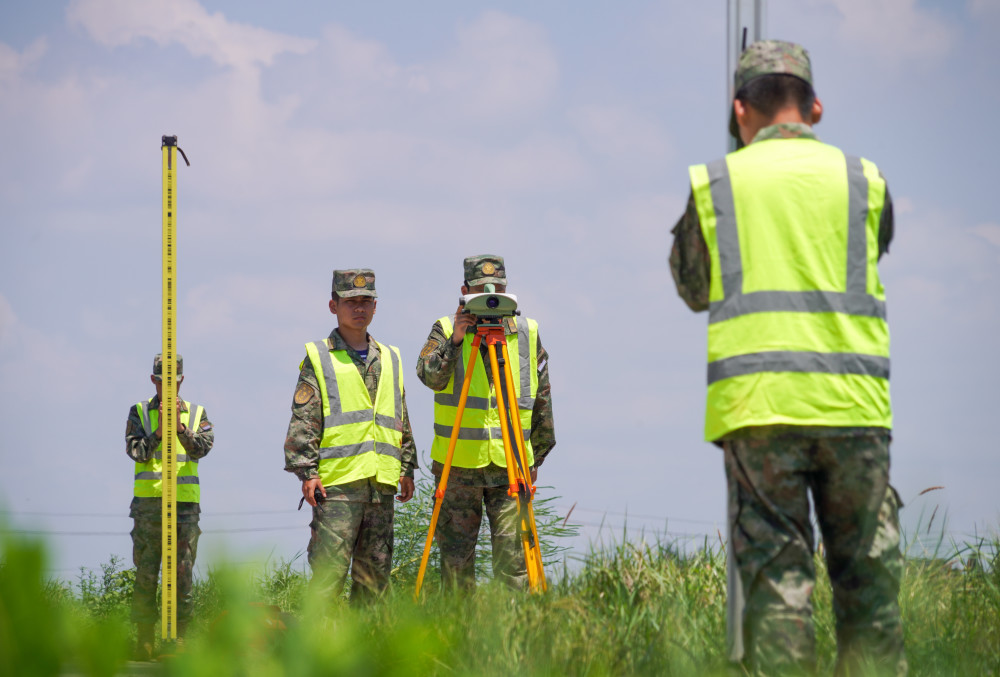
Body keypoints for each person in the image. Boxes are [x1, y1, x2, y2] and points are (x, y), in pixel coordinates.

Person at [669, 40, 906, 676]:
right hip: (854, 409)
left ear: (739, 109)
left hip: (760, 409)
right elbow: (873, 253)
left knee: (779, 589)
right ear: (816, 108)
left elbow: (693, 289)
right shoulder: (865, 180)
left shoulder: (718, 183)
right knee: (871, 591)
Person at [416, 255, 555, 589]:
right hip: (459, 466)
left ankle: (511, 635)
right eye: (482, 291)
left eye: (499, 290)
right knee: (455, 562)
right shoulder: (447, 329)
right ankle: (459, 635)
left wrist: (536, 454)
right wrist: (457, 341)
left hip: (510, 465)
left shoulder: (526, 332)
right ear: (465, 291)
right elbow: (429, 376)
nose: (491, 297)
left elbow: (542, 398)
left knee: (514, 562)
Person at [284, 268, 416, 603]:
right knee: (329, 577)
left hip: (381, 486)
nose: (359, 308)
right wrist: (307, 472)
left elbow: (399, 416)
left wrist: (406, 468)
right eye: (350, 301)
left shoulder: (390, 357)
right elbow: (305, 418)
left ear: (375, 306)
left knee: (373, 580)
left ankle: (364, 652)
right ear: (333, 305)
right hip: (338, 488)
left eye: (366, 301)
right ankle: (320, 652)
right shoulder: (320, 357)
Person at [125, 353, 214, 660]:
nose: (168, 385)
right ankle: (145, 640)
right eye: (162, 380)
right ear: (153, 380)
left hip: (185, 506)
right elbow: (135, 451)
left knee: (182, 573)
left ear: (181, 380)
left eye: (173, 379)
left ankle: (180, 642)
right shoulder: (139, 412)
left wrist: (178, 427)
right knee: (147, 573)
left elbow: (203, 448)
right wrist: (160, 431)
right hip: (149, 505)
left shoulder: (195, 412)